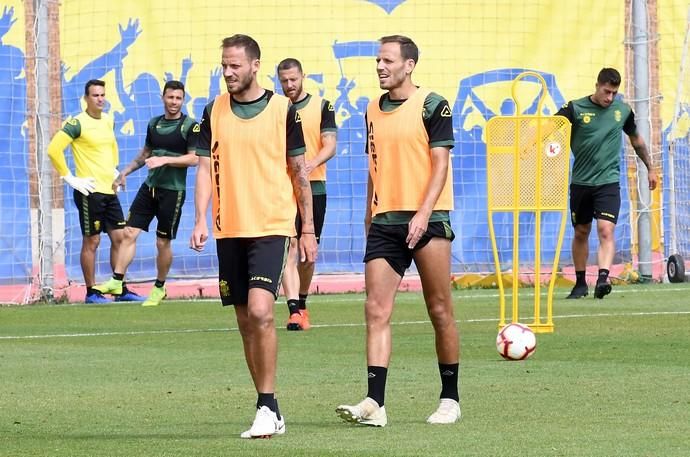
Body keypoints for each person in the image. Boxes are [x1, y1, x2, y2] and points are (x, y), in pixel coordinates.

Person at [189, 34, 317, 439]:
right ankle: (270, 406)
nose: (228, 72)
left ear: (255, 65)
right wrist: (200, 219)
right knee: (245, 320)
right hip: (230, 229)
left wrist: (307, 228)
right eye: (223, 65)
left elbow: (299, 172)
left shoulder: (283, 110)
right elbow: (205, 166)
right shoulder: (213, 110)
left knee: (262, 311)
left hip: (272, 226)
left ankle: (265, 404)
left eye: (235, 66)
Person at [335, 35, 460, 427]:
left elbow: (439, 164)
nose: (380, 67)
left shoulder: (433, 105)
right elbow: (374, 163)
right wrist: (368, 214)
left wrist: (423, 213)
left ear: (409, 65)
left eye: (387, 60)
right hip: (385, 221)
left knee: (439, 309)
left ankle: (450, 399)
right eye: (377, 60)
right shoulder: (372, 108)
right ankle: (375, 404)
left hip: (429, 219)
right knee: (375, 309)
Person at [94, 80, 200, 306]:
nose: (174, 102)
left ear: (183, 100)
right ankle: (116, 279)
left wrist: (165, 160)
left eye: (178, 98)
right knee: (128, 233)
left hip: (172, 192)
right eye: (170, 97)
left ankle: (160, 287)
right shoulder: (154, 124)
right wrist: (125, 172)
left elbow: (194, 158)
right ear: (163, 98)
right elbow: (145, 155)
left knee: (162, 243)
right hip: (149, 188)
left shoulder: (190, 126)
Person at [557, 68, 658, 299]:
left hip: (608, 183)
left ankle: (603, 279)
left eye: (614, 93)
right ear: (597, 85)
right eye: (607, 92)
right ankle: (580, 283)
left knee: (606, 230)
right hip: (581, 182)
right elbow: (552, 131)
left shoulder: (622, 111)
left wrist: (650, 168)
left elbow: (637, 141)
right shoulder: (575, 108)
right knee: (581, 231)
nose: (610, 97)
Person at [47, 79, 139, 303]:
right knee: (93, 241)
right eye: (95, 95)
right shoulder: (77, 123)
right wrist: (69, 178)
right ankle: (91, 292)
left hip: (109, 190)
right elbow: (53, 150)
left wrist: (115, 171)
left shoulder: (108, 120)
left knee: (120, 238)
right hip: (89, 192)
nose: (100, 99)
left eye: (102, 95)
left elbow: (109, 149)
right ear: (86, 99)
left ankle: (119, 288)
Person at [276, 58, 337, 331]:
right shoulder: (276, 109)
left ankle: (302, 302)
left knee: (307, 252)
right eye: (284, 81)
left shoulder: (322, 106)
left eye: (293, 80)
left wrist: (310, 164)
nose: (289, 85)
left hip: (314, 188)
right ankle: (293, 311)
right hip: (284, 190)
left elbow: (330, 145)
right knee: (289, 247)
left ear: (303, 77)